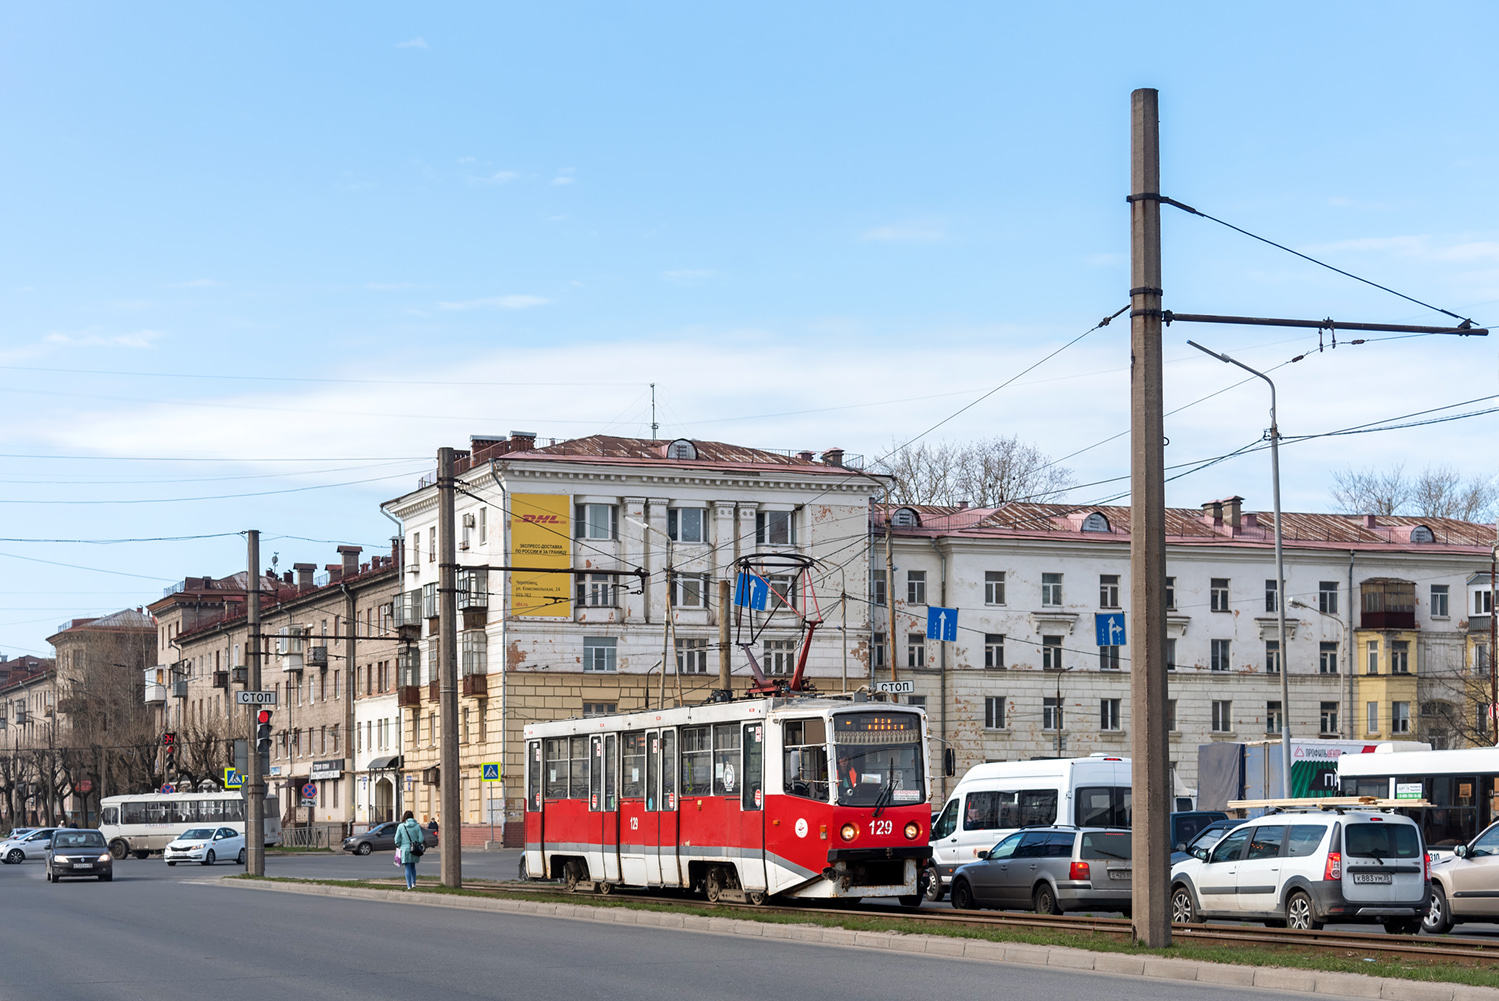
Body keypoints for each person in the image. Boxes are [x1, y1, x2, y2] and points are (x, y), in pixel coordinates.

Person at [394, 810, 426, 890]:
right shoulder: (417, 826)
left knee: (407, 867)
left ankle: (408, 886)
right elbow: (421, 839)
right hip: (414, 849)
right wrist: (416, 842)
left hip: (404, 850)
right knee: (413, 867)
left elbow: (396, 840)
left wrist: (400, 845)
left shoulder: (401, 826)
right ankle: (414, 883)